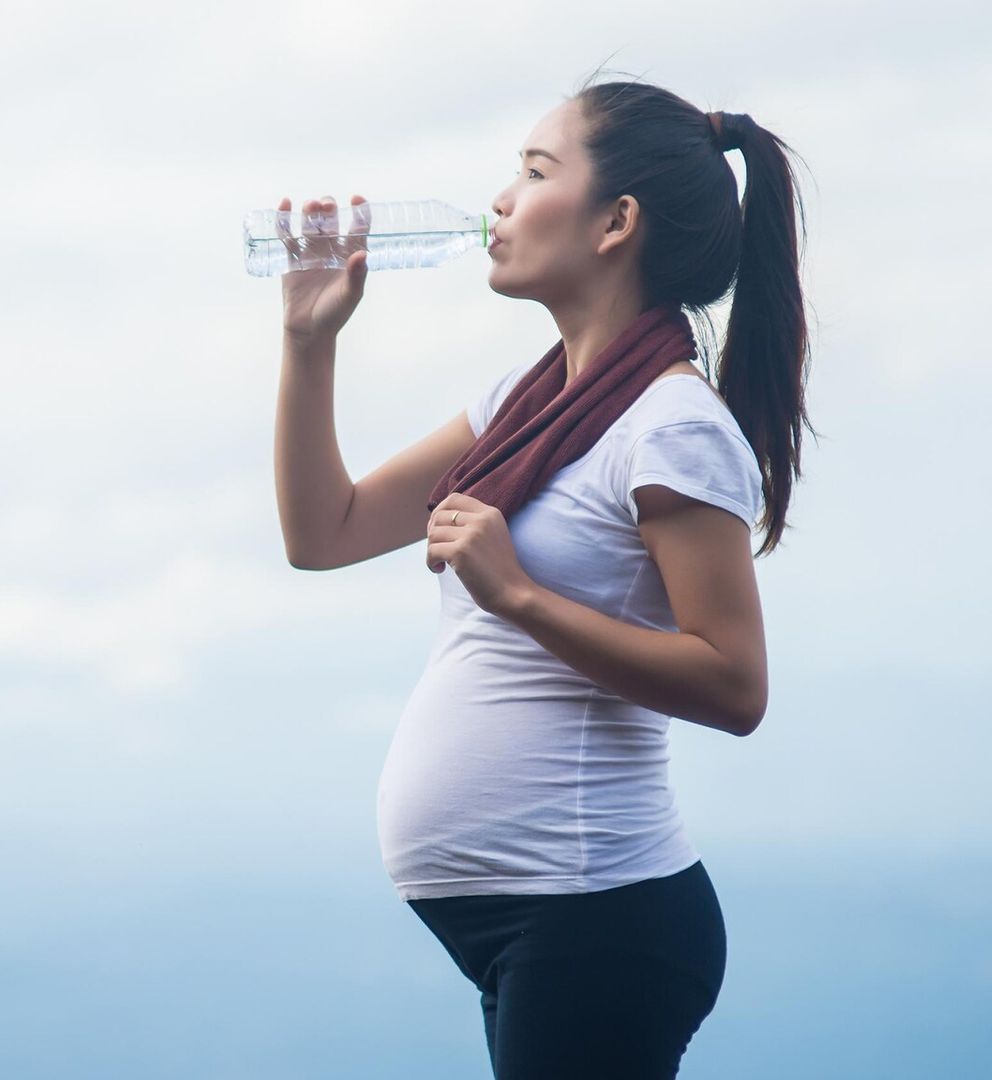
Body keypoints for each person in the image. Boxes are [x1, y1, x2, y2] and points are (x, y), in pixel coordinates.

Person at [272, 70, 814, 1079]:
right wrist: (310, 344)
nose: (501, 201)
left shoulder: (672, 426)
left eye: (532, 170)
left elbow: (735, 685)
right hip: (538, 923)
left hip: (597, 918)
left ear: (615, 222)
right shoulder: (519, 407)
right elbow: (325, 531)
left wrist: (518, 594)